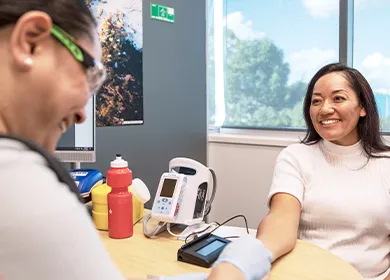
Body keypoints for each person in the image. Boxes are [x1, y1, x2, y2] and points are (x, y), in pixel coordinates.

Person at [0, 1, 272, 280]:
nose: (83, 114)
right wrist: (231, 271)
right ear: (31, 41)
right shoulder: (21, 184)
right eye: (90, 75)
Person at [255, 62, 390, 280]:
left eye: (338, 98)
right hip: (304, 274)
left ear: (362, 107)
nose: (325, 109)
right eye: (316, 101)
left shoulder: (386, 162)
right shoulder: (296, 156)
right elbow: (280, 219)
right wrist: (254, 258)